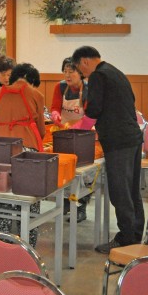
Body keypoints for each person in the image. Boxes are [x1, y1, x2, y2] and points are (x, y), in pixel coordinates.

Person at [71, 46, 144, 252]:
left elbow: (94, 109)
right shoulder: (115, 72)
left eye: (79, 69)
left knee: (120, 191)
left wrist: (78, 130)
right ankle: (136, 236)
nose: (82, 74)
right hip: (132, 138)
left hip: (118, 141)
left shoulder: (98, 76)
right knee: (131, 190)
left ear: (84, 62)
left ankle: (126, 240)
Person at [0, 63, 45, 247]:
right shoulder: (36, 95)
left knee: (1, 196)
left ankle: (2, 243)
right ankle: (27, 246)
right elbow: (41, 129)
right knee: (29, 197)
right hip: (26, 150)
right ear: (31, 80)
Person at [51, 57, 90, 223]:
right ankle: (66, 202)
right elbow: (54, 107)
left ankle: (82, 206)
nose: (67, 75)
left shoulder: (88, 89)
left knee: (83, 172)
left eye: (71, 71)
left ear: (80, 73)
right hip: (64, 132)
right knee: (64, 168)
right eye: (64, 71)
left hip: (83, 134)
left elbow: (89, 115)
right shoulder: (60, 87)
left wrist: (77, 126)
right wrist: (55, 115)